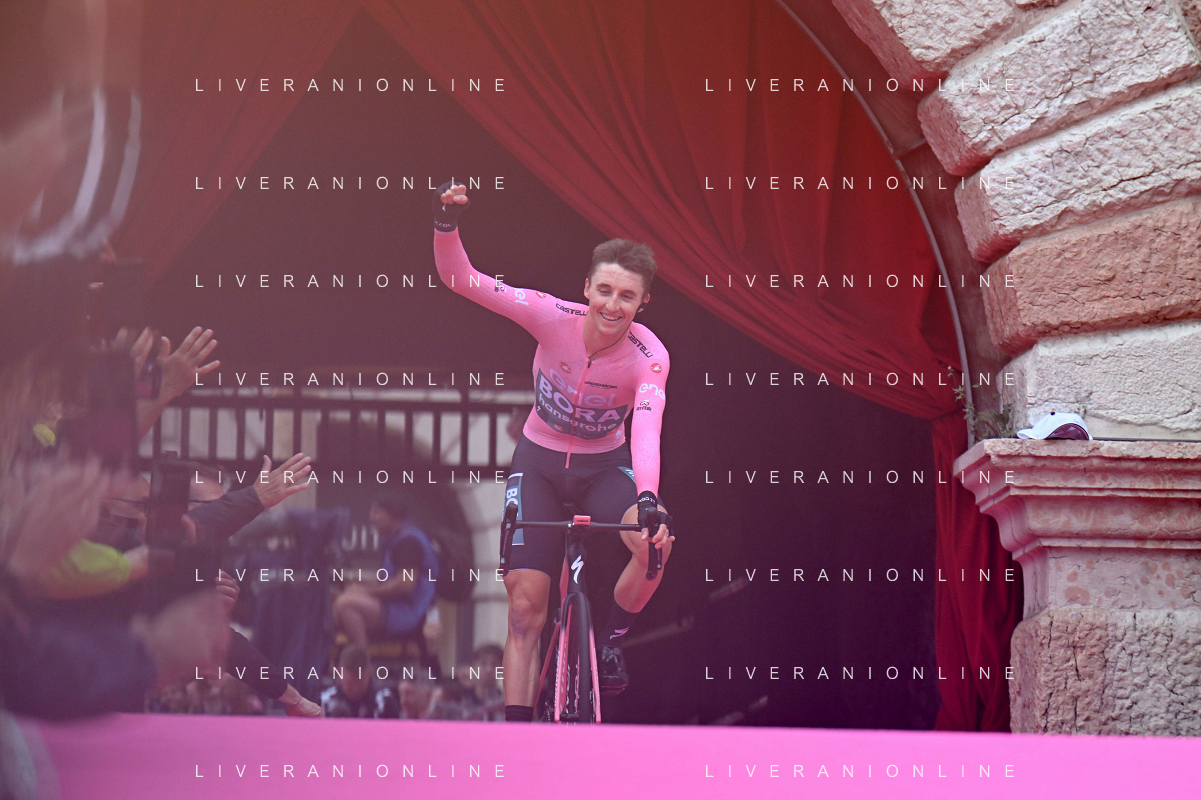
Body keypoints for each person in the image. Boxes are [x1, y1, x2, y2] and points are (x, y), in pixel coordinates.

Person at [431, 182, 674, 722]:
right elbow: (460, 279)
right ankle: (518, 732)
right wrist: (445, 223)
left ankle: (609, 642)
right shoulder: (549, 315)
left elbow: (647, 428)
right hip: (538, 464)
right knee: (524, 612)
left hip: (605, 467)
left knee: (654, 543)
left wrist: (648, 497)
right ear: (586, 288)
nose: (612, 305)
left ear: (643, 302)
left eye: (627, 296)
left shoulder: (649, 356)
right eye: (604, 290)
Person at [332, 492, 438, 651]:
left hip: (411, 614)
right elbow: (385, 579)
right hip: (397, 608)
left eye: (376, 512)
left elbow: (404, 586)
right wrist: (351, 580)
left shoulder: (409, 542)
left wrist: (366, 592)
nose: (371, 518)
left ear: (392, 515)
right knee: (340, 598)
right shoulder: (397, 539)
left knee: (346, 604)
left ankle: (360, 660)